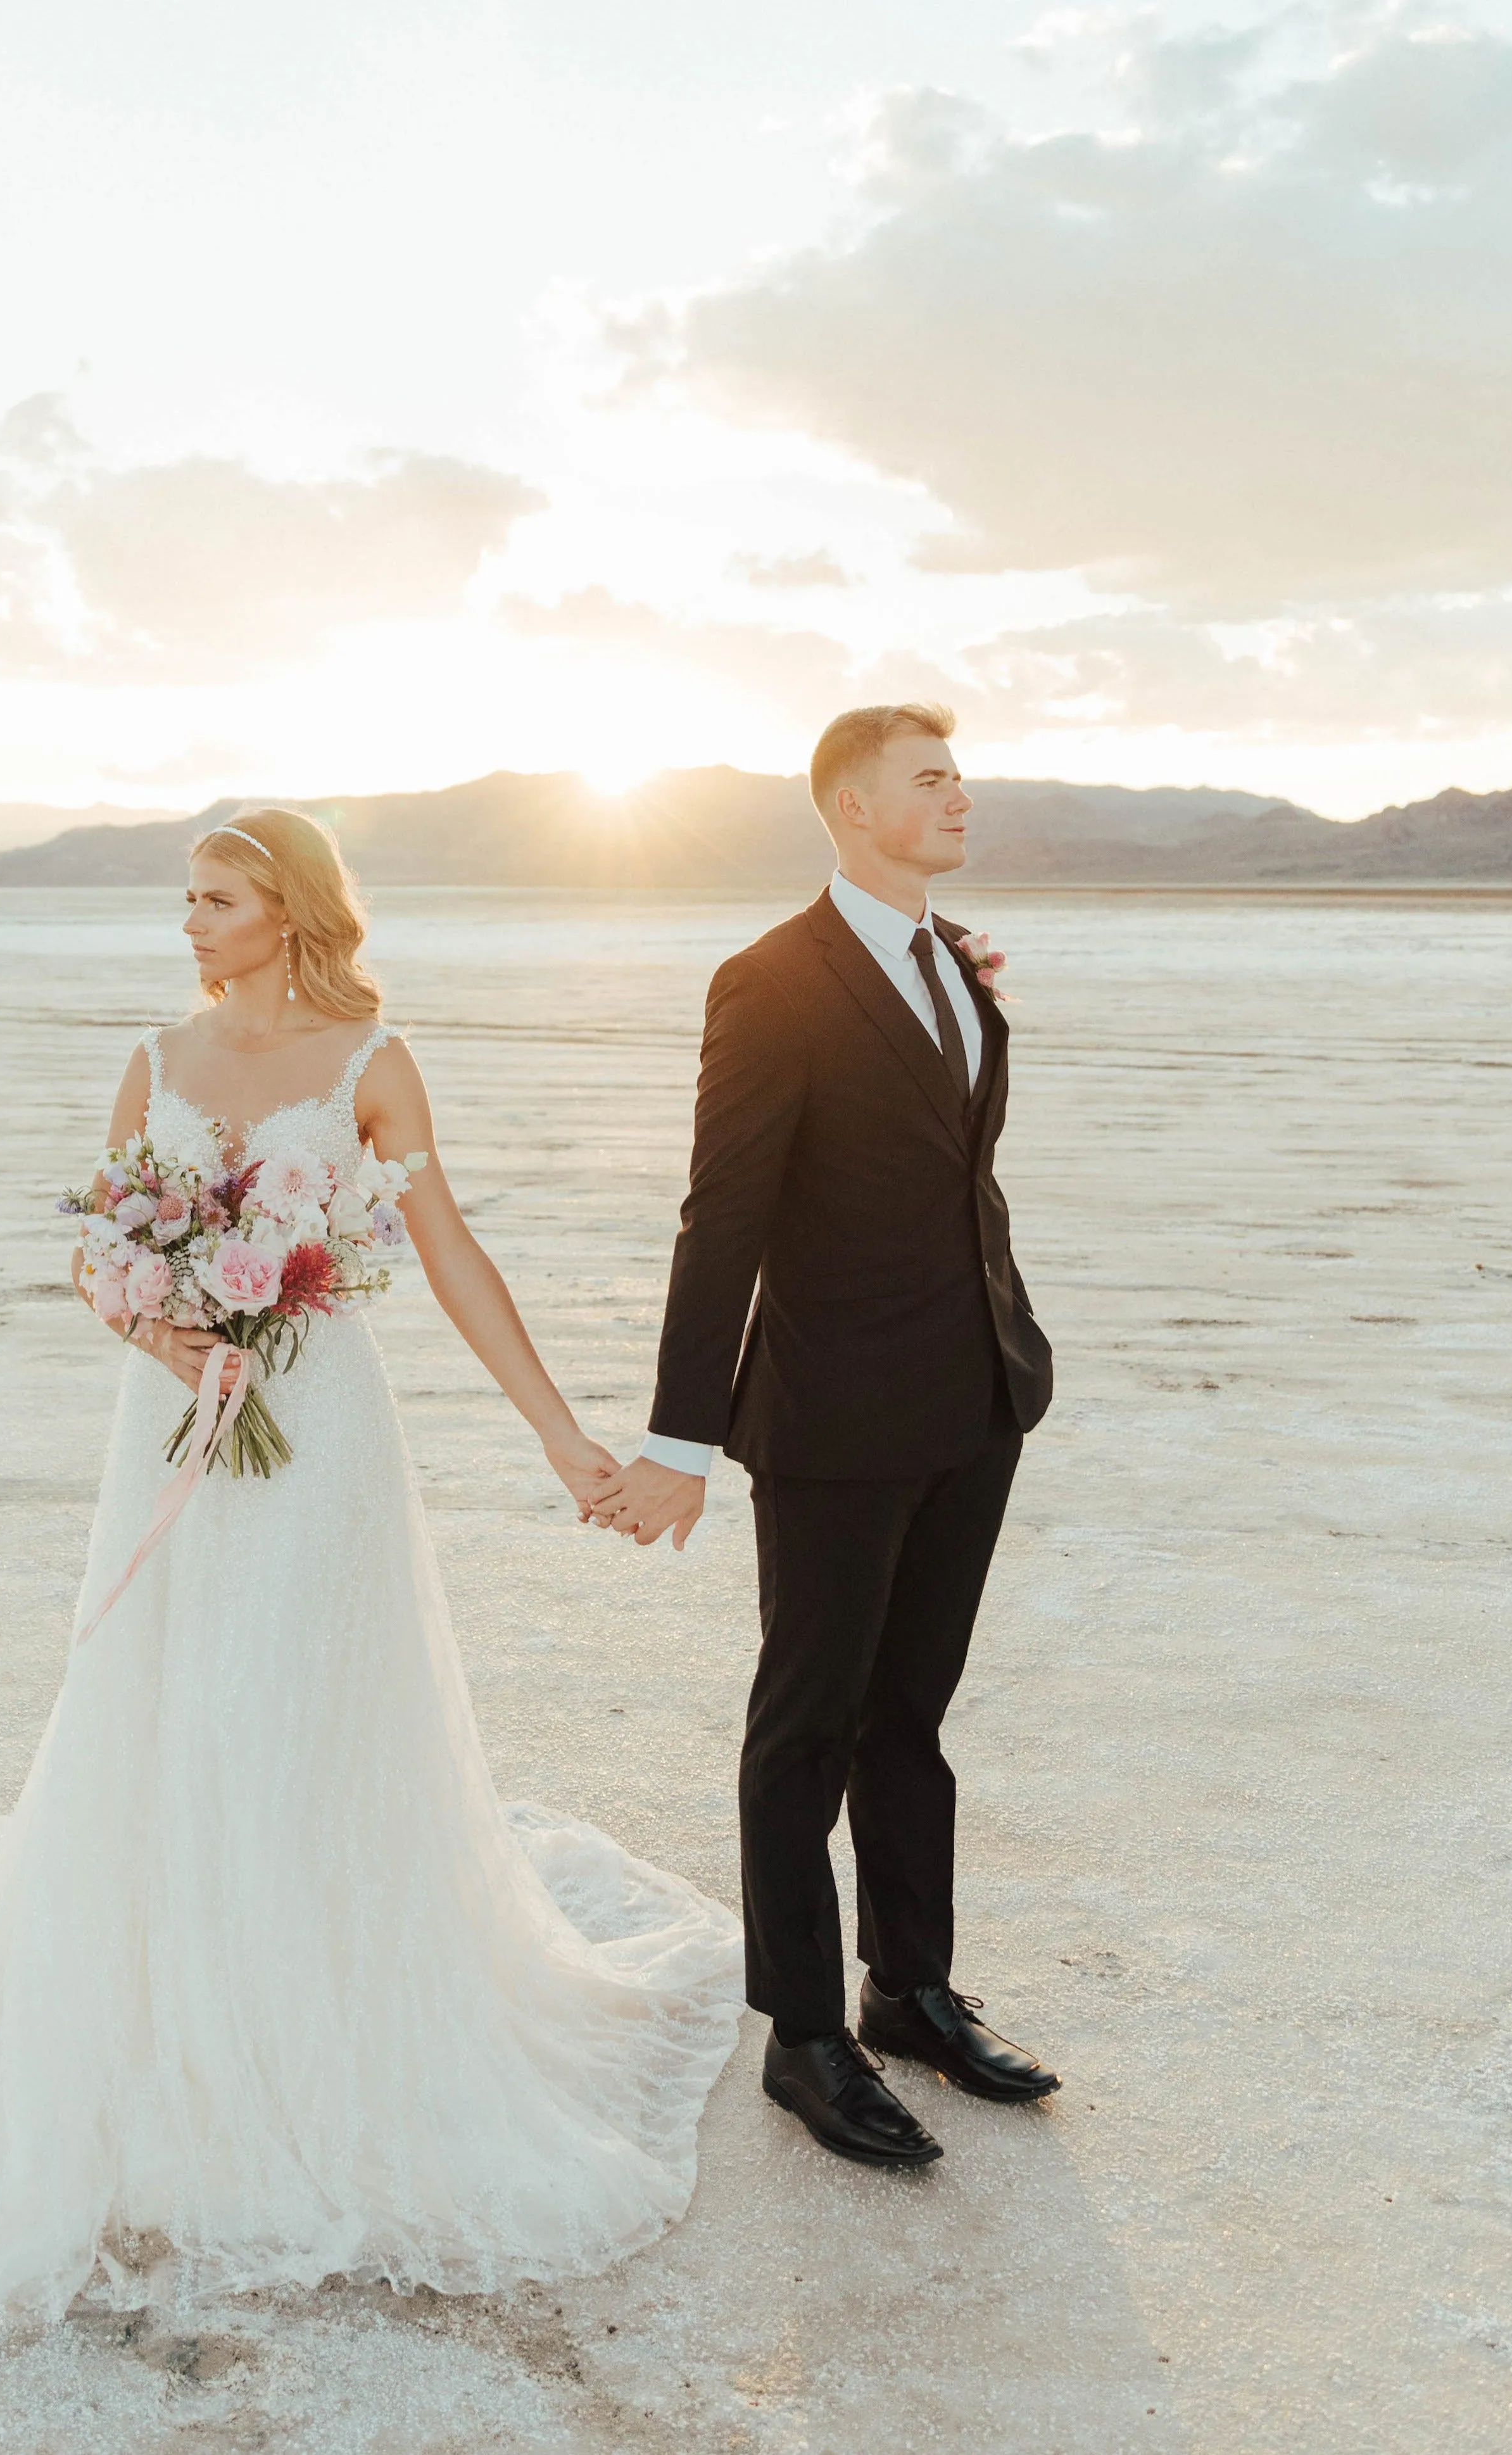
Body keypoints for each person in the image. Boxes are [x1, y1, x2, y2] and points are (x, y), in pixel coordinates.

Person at [0, 806, 743, 2321]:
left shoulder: (374, 1064)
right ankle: (157, 2020)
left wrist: (560, 1436)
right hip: (171, 1423)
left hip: (319, 1435)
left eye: (219, 898)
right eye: (187, 896)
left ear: (291, 910)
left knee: (297, 1707)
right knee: (166, 1698)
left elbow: (446, 1254)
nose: (189, 922)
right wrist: (153, 1322)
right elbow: (99, 1246)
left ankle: (316, 2027)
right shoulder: (156, 1059)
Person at [591, 705, 1059, 2169]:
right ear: (853, 810)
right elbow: (720, 1214)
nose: (961, 797)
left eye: (960, 775)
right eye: (932, 781)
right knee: (807, 1726)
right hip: (834, 1417)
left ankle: (911, 1989)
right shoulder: (771, 982)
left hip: (976, 1398)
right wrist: (679, 1435)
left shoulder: (954, 964)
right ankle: (804, 2034)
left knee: (913, 1714)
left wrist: (1010, 1353)